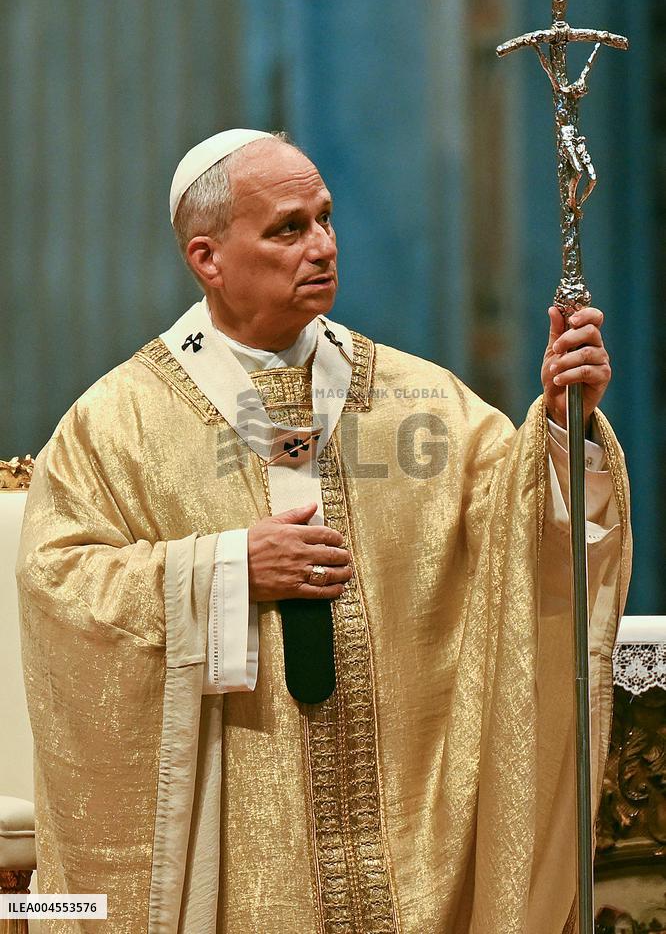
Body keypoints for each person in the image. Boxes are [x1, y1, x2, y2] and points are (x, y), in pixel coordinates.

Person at [17, 129, 630, 934]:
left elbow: (525, 528)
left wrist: (561, 423)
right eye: (288, 229)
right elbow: (59, 584)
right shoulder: (120, 424)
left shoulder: (420, 401)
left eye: (326, 219)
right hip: (240, 836)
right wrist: (230, 566)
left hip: (407, 826)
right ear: (207, 258)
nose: (323, 247)